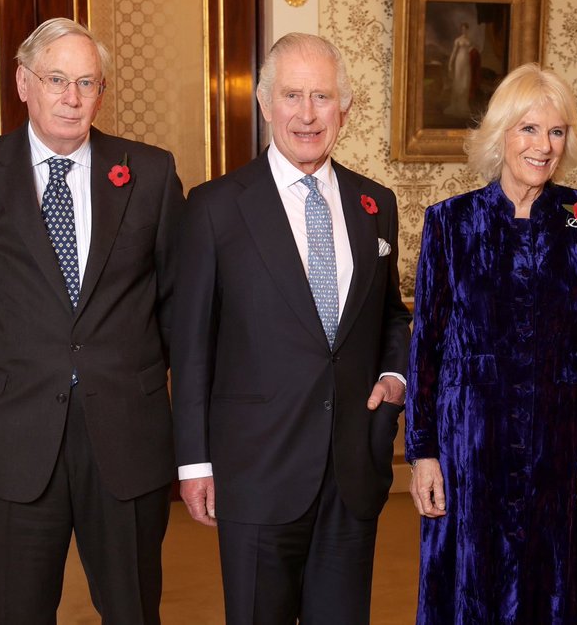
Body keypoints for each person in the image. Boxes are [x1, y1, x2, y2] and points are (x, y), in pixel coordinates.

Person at [0, 17, 184, 624]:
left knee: (134, 611)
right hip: (10, 436)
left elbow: (176, 298)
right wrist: (10, 362)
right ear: (24, 83)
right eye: (56, 79)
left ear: (101, 92)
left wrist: (125, 365)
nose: (71, 98)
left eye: (87, 82)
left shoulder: (149, 172)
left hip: (125, 432)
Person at [170, 32, 411, 624]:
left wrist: (395, 374)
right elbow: (192, 344)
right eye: (293, 96)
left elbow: (391, 316)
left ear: (345, 109)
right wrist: (194, 463)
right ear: (265, 104)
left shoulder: (374, 202)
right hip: (256, 469)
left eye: (323, 97)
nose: (307, 114)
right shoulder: (215, 207)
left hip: (351, 469)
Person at [405, 63, 577, 624]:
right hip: (469, 445)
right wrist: (422, 451)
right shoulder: (449, 223)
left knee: (556, 590)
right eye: (528, 129)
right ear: (500, 132)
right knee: (471, 589)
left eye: (556, 132)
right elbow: (425, 344)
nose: (543, 146)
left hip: (560, 440)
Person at [444, 22, 476, 119]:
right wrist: (450, 64)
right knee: (458, 82)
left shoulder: (470, 40)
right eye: (462, 29)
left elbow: (473, 50)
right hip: (459, 61)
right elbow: (454, 53)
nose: (464, 30)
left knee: (465, 82)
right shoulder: (458, 40)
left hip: (466, 62)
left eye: (465, 29)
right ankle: (455, 105)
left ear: (467, 29)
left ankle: (463, 105)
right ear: (461, 29)